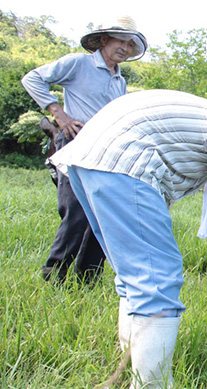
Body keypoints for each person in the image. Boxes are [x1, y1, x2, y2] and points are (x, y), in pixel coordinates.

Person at [49, 89, 207, 388]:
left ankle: (134, 361)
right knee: (157, 278)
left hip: (92, 159)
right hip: (122, 162)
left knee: (135, 275)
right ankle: (151, 383)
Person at [21, 16, 148, 284]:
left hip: (106, 151)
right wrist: (58, 113)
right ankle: (54, 276)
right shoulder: (78, 63)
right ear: (104, 40)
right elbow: (33, 79)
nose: (124, 48)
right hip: (76, 142)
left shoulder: (119, 81)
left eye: (129, 44)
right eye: (120, 41)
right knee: (76, 210)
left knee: (104, 213)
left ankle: (87, 279)